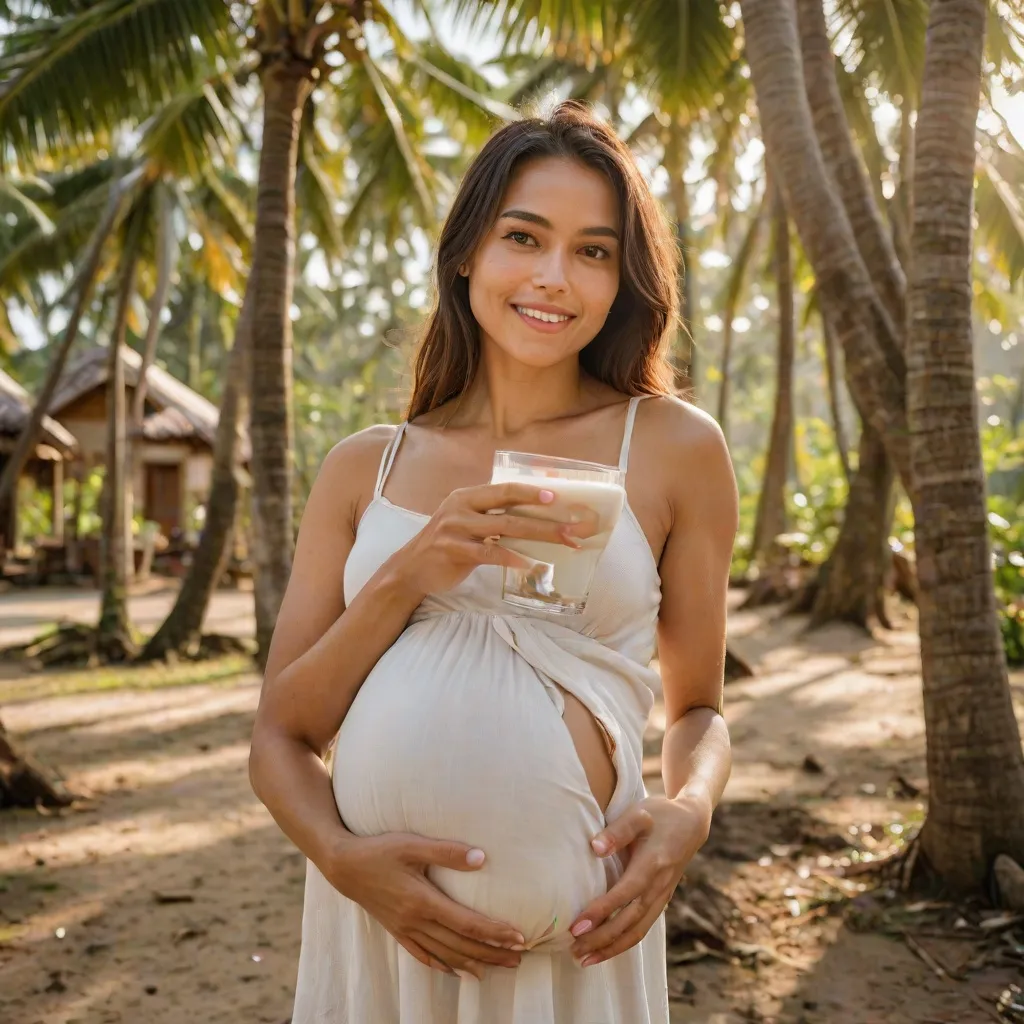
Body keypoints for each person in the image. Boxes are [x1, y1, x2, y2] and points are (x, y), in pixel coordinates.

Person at [249, 100, 737, 1024]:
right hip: (382, 938)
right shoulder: (365, 467)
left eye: (593, 251)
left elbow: (700, 706)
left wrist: (689, 811)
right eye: (525, 236)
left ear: (621, 278)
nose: (556, 277)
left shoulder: (672, 446)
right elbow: (281, 733)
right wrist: (343, 860)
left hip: (580, 945)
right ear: (469, 248)